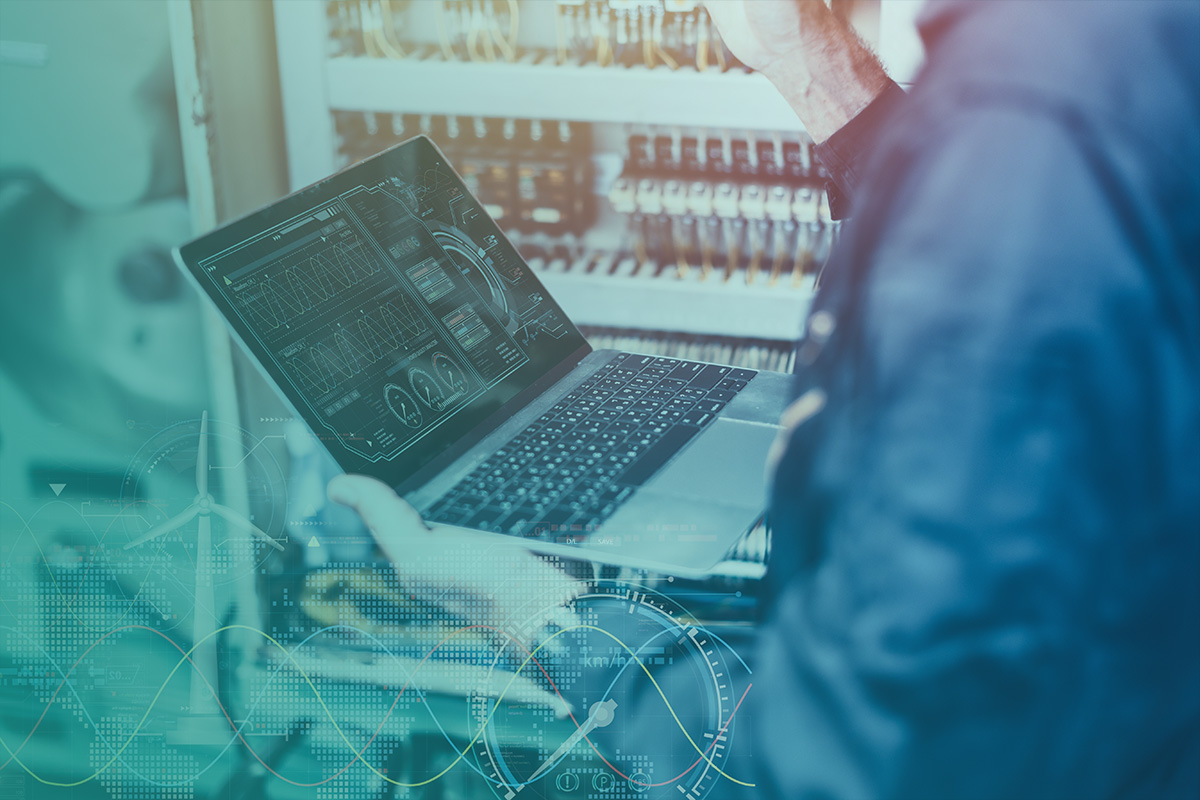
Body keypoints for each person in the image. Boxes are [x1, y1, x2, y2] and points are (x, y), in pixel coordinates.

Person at [328, 0, 1200, 796]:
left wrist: (536, 615)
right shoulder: (1092, 50)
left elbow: (855, 767)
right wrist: (806, 58)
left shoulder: (1029, 121)